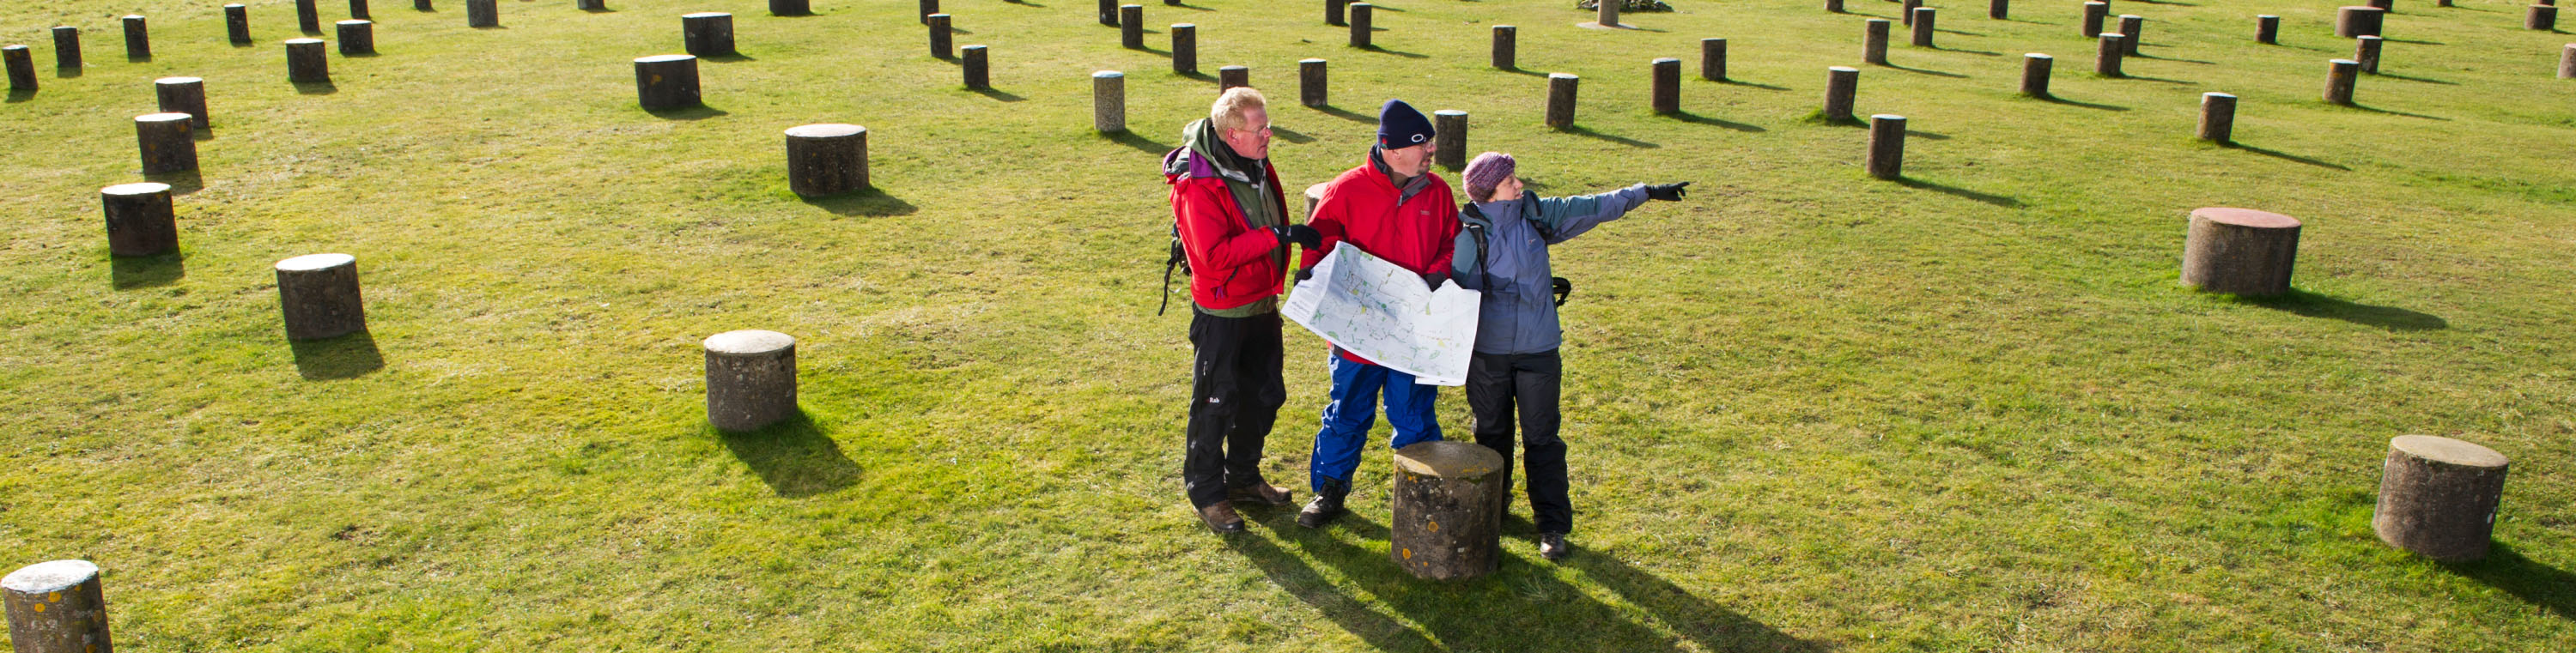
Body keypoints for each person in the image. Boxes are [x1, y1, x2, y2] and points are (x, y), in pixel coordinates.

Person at [1448, 151, 1690, 559]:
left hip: (1539, 348)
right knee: (1491, 434)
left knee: (1543, 438)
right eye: (1510, 182)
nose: (1519, 185)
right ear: (1490, 193)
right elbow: (1447, 285)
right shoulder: (1462, 231)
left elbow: (1593, 206)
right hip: (1487, 353)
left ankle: (1553, 525)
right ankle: (1494, 503)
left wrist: (1644, 193)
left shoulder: (1536, 213)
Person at [1292, 99, 1461, 529]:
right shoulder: (1345, 190)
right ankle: (1329, 491)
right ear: (1391, 149)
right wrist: (1313, 282)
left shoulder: (1438, 192)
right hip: (1357, 335)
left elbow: (1450, 243)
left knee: (1415, 416)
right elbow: (1317, 251)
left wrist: (1437, 276)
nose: (1431, 153)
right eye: (1423, 145)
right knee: (1348, 411)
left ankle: (1424, 498)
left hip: (1412, 335)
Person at [1164, 88, 1324, 533]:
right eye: (1260, 129)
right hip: (1223, 312)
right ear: (1232, 134)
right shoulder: (1198, 183)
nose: (1268, 135)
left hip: (1260, 302)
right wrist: (1279, 235)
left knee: (1264, 395)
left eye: (1268, 125)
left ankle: (1243, 480)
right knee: (1216, 403)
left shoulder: (1252, 161)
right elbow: (1213, 256)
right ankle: (1208, 494)